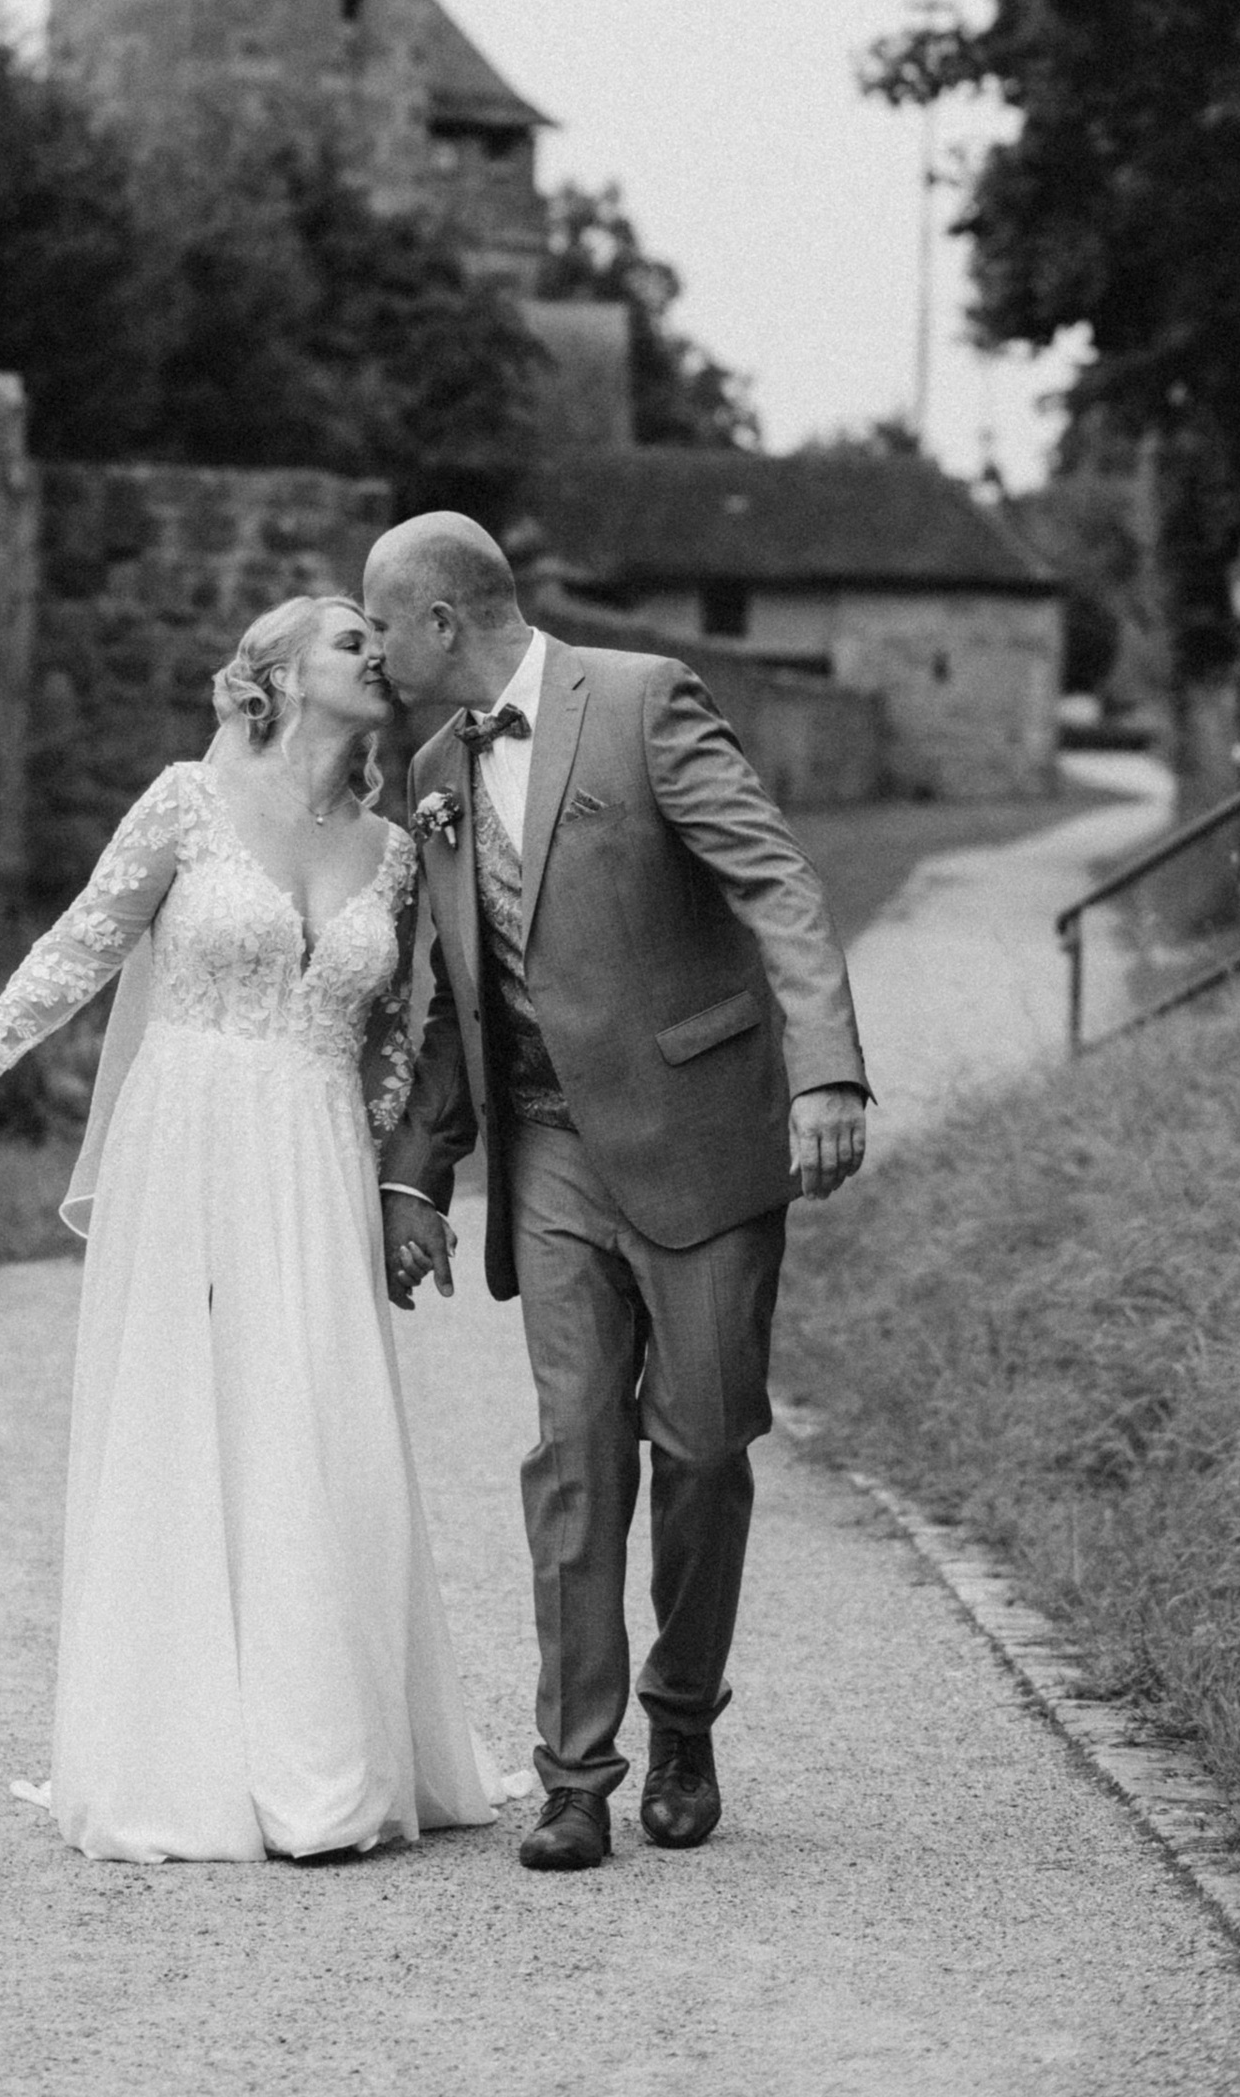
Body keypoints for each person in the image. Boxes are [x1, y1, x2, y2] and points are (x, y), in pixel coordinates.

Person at [0, 593, 496, 1865]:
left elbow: (388, 1036)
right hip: (183, 1141)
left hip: (313, 1152)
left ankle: (325, 1758)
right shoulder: (185, 798)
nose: (376, 652)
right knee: (187, 1420)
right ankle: (175, 1755)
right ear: (278, 673)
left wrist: (399, 1179)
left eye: (375, 638)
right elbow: (88, 936)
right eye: (348, 638)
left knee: (310, 1420)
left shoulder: (397, 849)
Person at [361, 510, 868, 1878]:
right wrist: (417, 1178)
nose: (372, 649)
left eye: (381, 624)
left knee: (701, 1452)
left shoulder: (642, 703)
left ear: (444, 622)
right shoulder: (430, 769)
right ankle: (575, 1777)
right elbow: (452, 990)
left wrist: (827, 1073)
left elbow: (777, 881)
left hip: (701, 1137)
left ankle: (684, 1718)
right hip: (551, 1157)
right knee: (572, 1457)